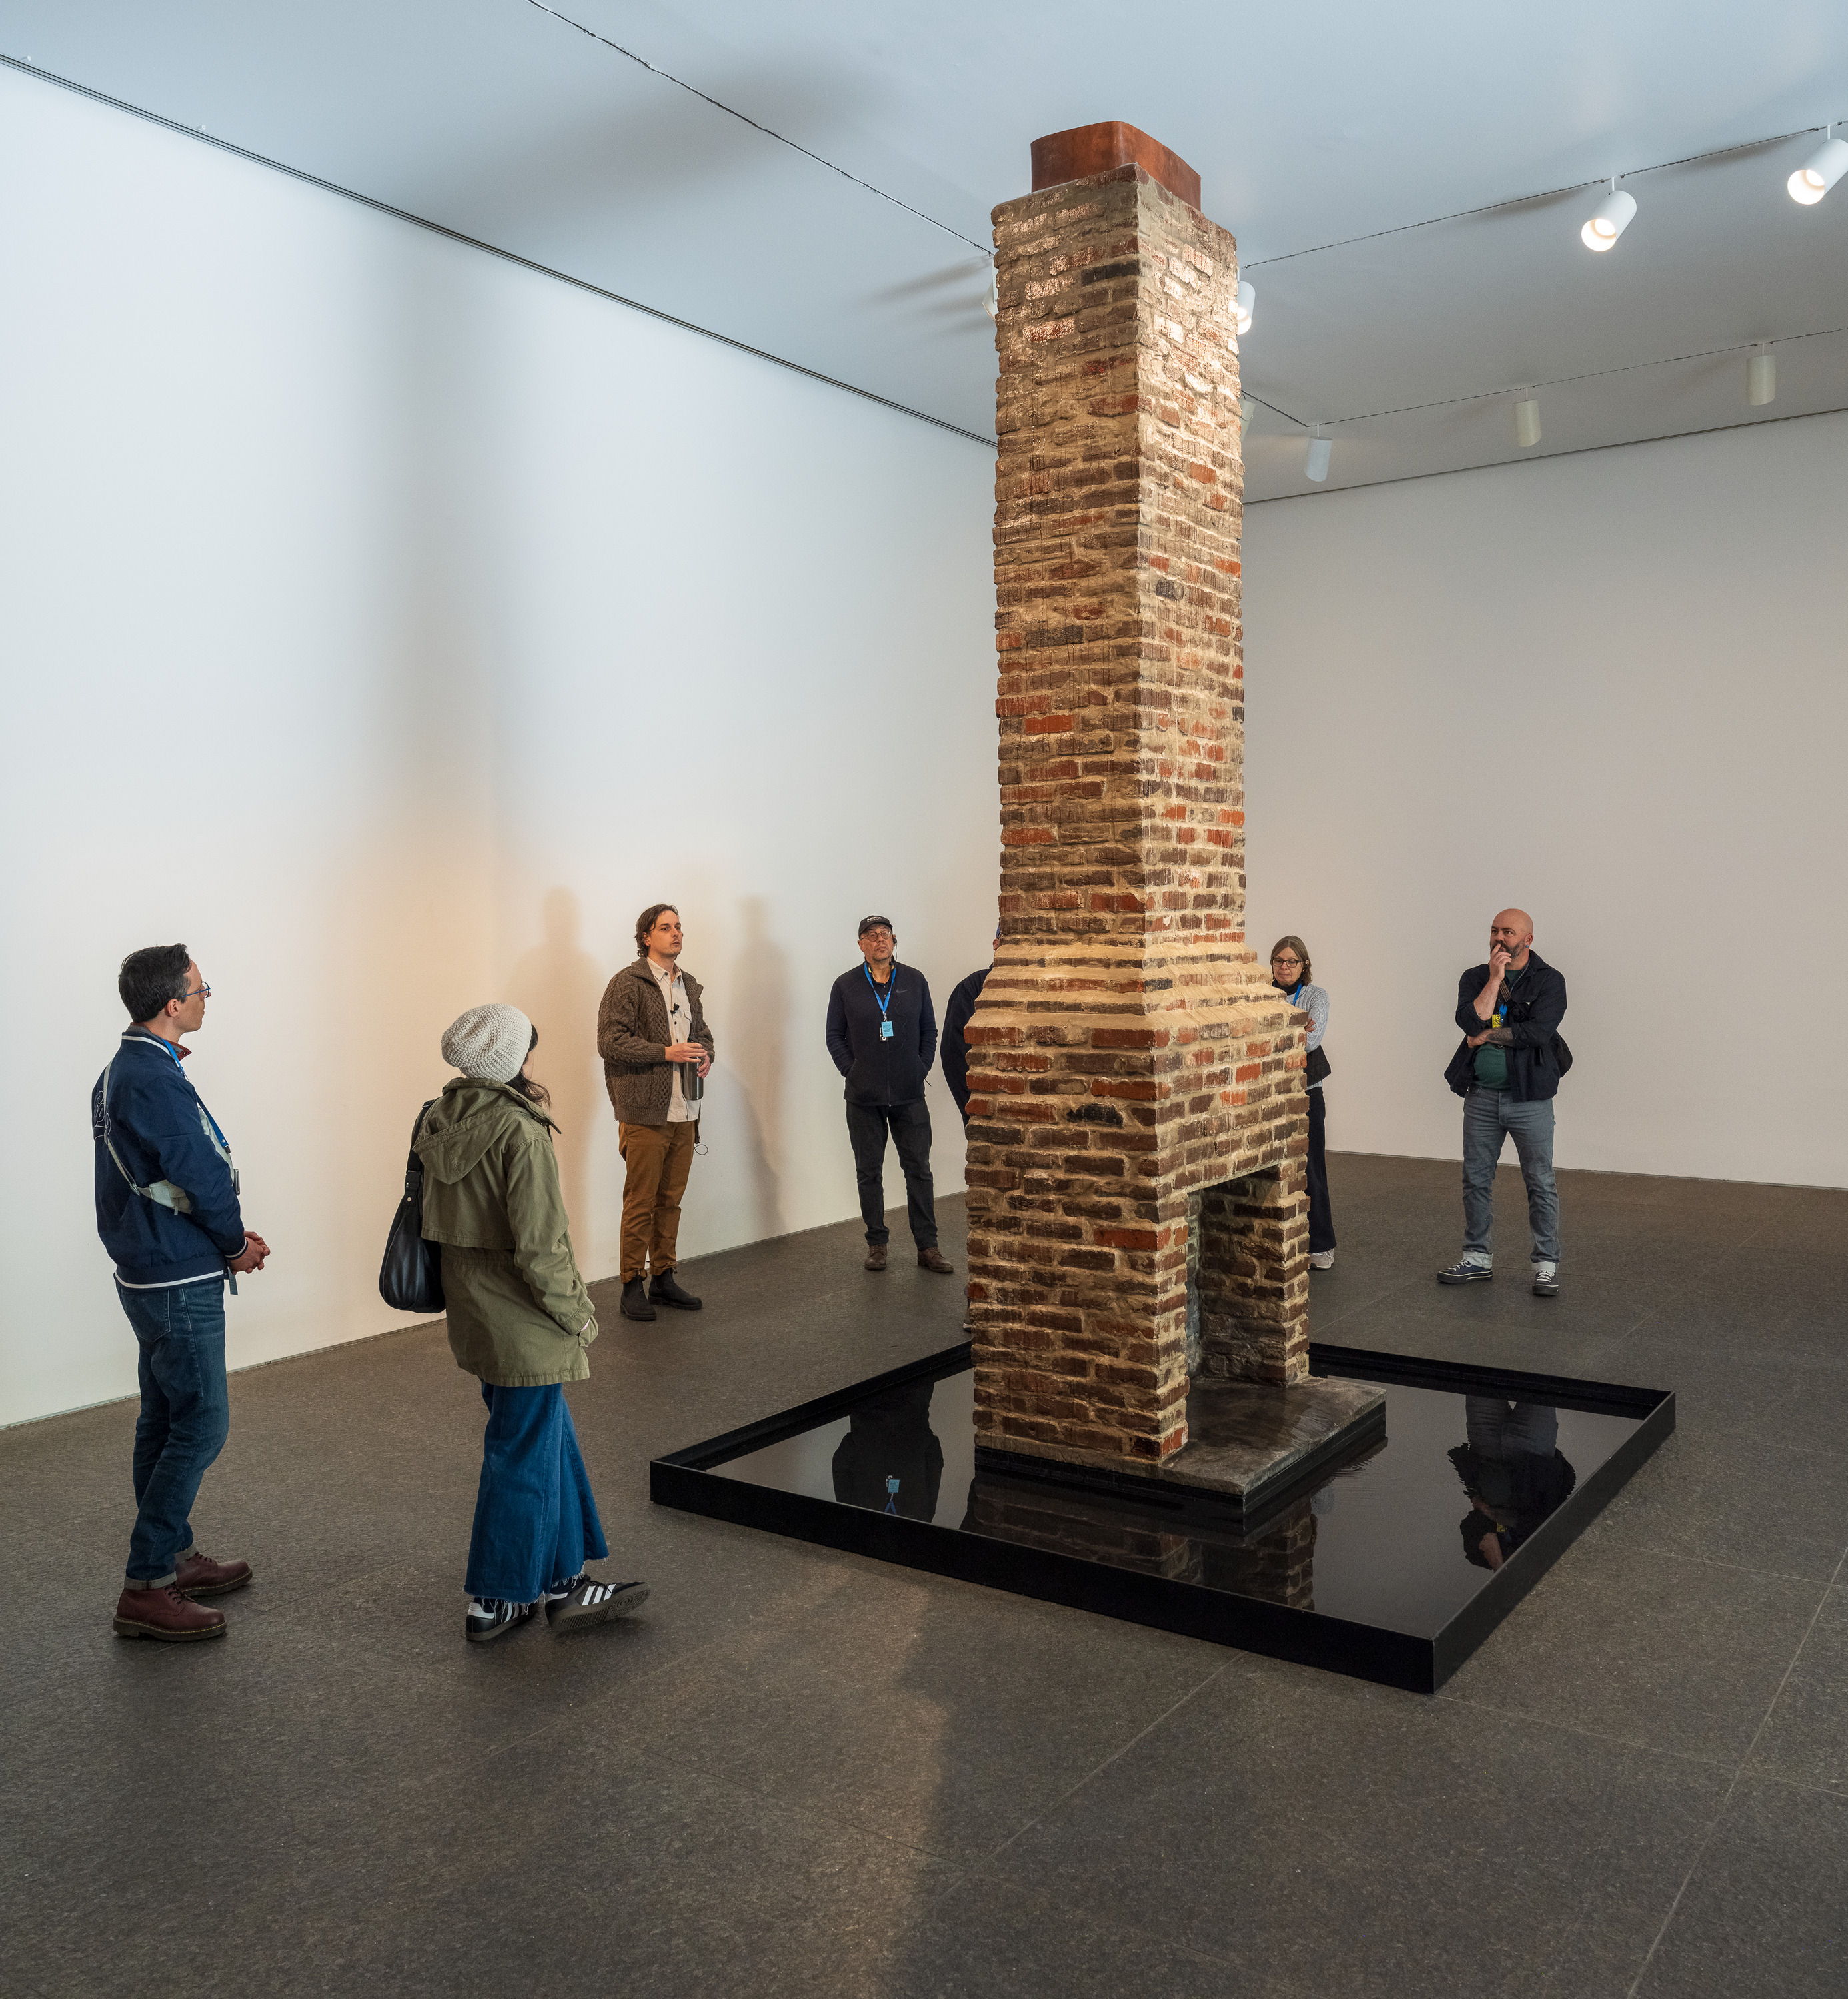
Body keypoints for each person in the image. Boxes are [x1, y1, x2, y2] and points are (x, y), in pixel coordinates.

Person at [418, 1003, 647, 1642]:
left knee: (547, 1441)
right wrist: (579, 1315)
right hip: (525, 1318)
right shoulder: (519, 1130)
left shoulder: (437, 1119)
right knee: (521, 1453)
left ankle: (564, 1581)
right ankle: (494, 1597)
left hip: (476, 1314)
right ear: (513, 1059)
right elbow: (542, 1248)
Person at [93, 945, 270, 1643]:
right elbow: (196, 1167)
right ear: (172, 1003)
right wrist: (230, 1242)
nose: (204, 999)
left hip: (153, 1261)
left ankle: (172, 1555)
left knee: (163, 1418)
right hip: (175, 1270)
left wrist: (221, 1237)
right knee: (201, 1424)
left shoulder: (127, 1067)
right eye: (200, 989)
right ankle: (147, 1584)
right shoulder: (151, 1076)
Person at [1438, 908, 1569, 1296]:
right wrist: (1495, 979)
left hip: (1530, 1098)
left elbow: (1537, 1033)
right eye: (1495, 930)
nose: (1499, 938)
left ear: (1528, 939)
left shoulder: (1550, 980)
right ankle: (1477, 1258)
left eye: (1508, 932)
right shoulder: (1476, 977)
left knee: (1540, 1181)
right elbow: (1469, 1020)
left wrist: (1486, 1035)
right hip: (1481, 1096)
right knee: (1476, 1179)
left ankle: (1546, 1264)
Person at [596, 904, 716, 1324]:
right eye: (665, 928)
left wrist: (705, 1056)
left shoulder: (690, 986)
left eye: (679, 926)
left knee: (671, 1200)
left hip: (686, 1110)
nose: (676, 933)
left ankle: (664, 1276)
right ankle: (632, 1283)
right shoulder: (627, 983)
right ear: (647, 937)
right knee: (640, 1202)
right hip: (645, 1111)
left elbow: (701, 1036)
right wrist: (666, 1053)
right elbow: (610, 1042)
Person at [826, 916, 953, 1275]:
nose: (878, 939)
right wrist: (852, 1071)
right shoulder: (846, 985)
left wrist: (920, 1067)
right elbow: (834, 1035)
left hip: (909, 1094)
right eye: (870, 935)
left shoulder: (914, 980)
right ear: (861, 945)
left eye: (884, 934)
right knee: (869, 1173)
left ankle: (928, 1247)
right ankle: (877, 1244)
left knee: (919, 1171)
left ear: (894, 940)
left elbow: (930, 1030)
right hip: (863, 1097)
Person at [1449, 1397, 1576, 1569]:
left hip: (1487, 1448)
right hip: (1533, 1450)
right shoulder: (1550, 1554)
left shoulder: (1480, 1558)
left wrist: (1500, 1568)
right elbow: (1547, 1521)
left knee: (1482, 1375)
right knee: (1541, 1380)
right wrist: (1496, 1515)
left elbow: (1474, 1524)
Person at [1270, 936, 1336, 1270]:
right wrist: (1295, 1026)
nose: (1284, 967)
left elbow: (1311, 1039)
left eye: (1292, 962)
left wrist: (1276, 1033)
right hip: (1269, 1090)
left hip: (1307, 1089)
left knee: (1311, 1167)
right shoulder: (1262, 994)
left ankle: (1321, 1246)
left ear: (1304, 965)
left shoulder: (1316, 996)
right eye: (1279, 961)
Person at [940, 938, 996, 1126]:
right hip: (984, 1105)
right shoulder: (974, 986)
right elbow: (953, 1051)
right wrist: (972, 1105)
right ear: (996, 944)